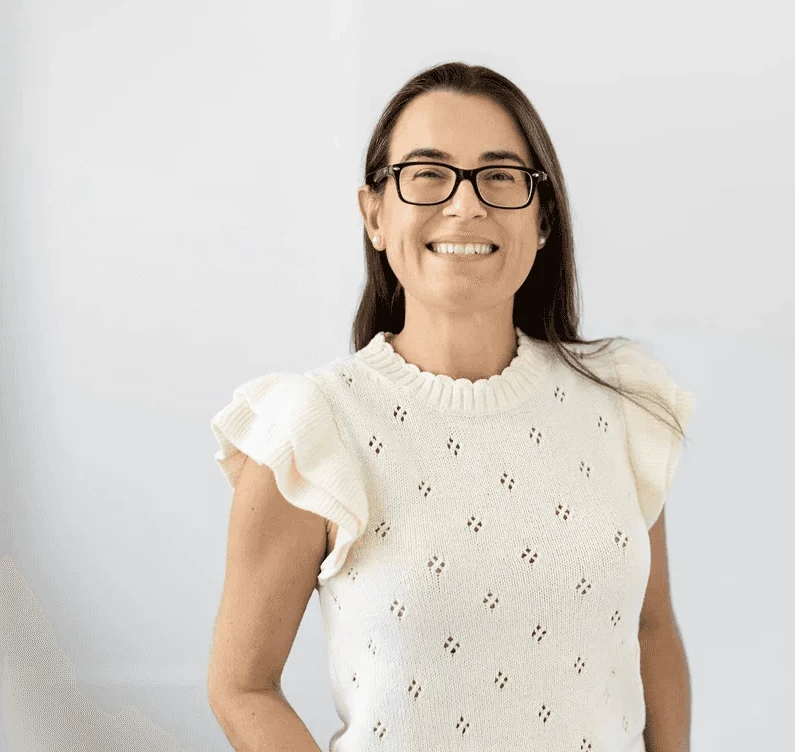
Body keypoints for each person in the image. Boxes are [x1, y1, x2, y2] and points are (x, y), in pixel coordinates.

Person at [207, 62, 695, 752]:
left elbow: (650, 630)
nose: (465, 206)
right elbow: (242, 686)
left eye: (499, 177)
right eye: (427, 174)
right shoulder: (311, 430)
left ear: (544, 217)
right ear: (374, 213)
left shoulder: (622, 406)